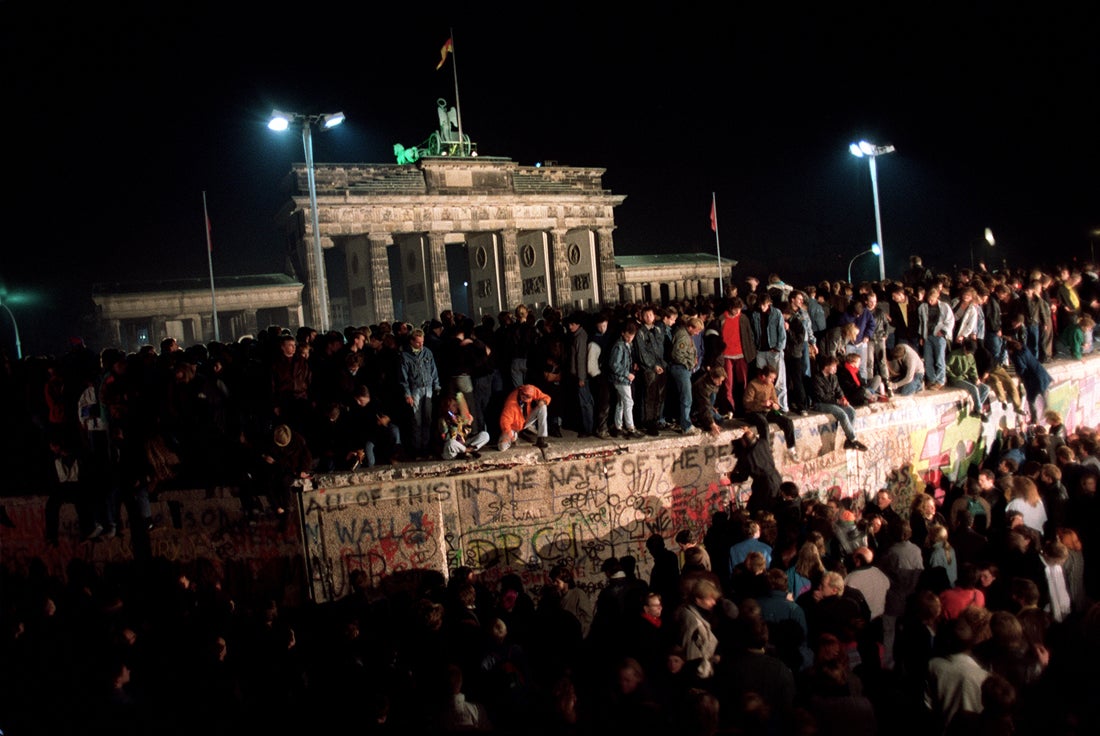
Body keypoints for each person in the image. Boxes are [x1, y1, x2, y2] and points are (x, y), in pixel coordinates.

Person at [399, 328, 441, 459]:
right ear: (411, 341)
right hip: (415, 389)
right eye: (418, 342)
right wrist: (407, 394)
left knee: (427, 419)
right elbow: (403, 378)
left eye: (422, 342)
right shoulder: (405, 356)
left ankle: (426, 448)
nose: (421, 345)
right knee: (416, 421)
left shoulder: (427, 352)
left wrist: (436, 385)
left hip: (427, 388)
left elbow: (433, 371)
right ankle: (417, 450)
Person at [730, 426, 784, 517]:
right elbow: (756, 438)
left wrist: (731, 477)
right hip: (777, 478)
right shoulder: (763, 443)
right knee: (774, 506)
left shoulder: (746, 457)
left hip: (764, 485)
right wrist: (749, 432)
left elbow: (743, 477)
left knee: (755, 510)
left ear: (744, 443)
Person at [717, 296, 757, 415]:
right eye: (736, 309)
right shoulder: (721, 319)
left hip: (741, 355)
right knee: (727, 383)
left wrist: (751, 353)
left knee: (743, 382)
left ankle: (745, 406)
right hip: (726, 355)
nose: (738, 311)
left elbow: (750, 335)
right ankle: (730, 408)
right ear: (731, 308)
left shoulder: (743, 318)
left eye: (739, 308)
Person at [669, 316, 705, 435]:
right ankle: (686, 425)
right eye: (696, 330)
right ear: (690, 327)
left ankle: (685, 422)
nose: (697, 333)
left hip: (685, 369)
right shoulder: (683, 336)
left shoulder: (687, 334)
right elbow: (676, 354)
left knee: (686, 397)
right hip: (681, 369)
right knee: (686, 397)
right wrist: (688, 363)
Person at [608, 321, 641, 439]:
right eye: (628, 336)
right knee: (628, 402)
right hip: (621, 379)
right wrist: (627, 374)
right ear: (623, 334)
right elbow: (614, 365)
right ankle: (630, 427)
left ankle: (618, 426)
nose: (630, 339)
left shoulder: (626, 345)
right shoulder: (619, 346)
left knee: (621, 403)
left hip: (622, 378)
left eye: (631, 337)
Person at [919, 285, 955, 390]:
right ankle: (931, 379)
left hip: (939, 336)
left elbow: (950, 320)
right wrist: (921, 336)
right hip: (927, 336)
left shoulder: (944, 307)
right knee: (928, 358)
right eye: (928, 299)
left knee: (939, 359)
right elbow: (921, 323)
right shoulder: (923, 307)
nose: (930, 302)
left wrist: (943, 331)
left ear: (937, 297)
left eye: (932, 299)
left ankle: (940, 380)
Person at [564, 311, 594, 437]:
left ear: (578, 324)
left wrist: (581, 377)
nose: (570, 327)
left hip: (581, 376)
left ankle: (588, 429)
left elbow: (580, 358)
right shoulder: (578, 336)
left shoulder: (580, 337)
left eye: (572, 324)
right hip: (578, 375)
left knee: (585, 403)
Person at [497, 383, 552, 450]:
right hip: (513, 428)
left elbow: (546, 397)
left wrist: (543, 401)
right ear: (521, 392)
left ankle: (541, 439)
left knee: (543, 407)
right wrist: (511, 436)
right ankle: (516, 435)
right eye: (523, 396)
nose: (525, 398)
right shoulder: (511, 404)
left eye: (528, 397)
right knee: (502, 447)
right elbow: (504, 422)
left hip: (525, 420)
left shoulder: (532, 390)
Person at [438, 392, 489, 460]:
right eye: (454, 405)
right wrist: (453, 424)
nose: (457, 407)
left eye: (456, 405)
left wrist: (469, 424)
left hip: (463, 445)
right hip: (452, 451)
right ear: (447, 408)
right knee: (451, 443)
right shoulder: (442, 420)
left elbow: (465, 434)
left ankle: (468, 450)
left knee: (485, 435)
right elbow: (446, 439)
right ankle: (468, 451)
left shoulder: (458, 417)